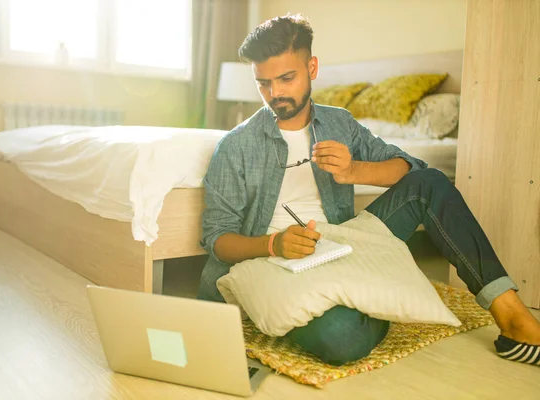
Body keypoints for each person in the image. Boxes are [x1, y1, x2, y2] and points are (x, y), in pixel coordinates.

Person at [197, 14, 540, 367]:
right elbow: (218, 238)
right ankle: (381, 290)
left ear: (311, 67)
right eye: (263, 83)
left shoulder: (339, 123)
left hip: (345, 241)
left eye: (287, 78)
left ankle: (511, 313)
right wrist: (274, 244)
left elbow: (409, 169)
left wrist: (353, 170)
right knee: (343, 339)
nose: (275, 93)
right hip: (274, 260)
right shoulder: (235, 146)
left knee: (431, 183)